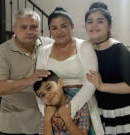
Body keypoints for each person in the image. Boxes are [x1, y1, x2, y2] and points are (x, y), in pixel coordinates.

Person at [36, 7, 104, 135]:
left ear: (72, 26)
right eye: (54, 28)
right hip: (52, 103)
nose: (59, 31)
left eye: (63, 26)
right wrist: (48, 113)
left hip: (81, 103)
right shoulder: (43, 51)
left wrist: (68, 112)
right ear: (49, 30)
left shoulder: (85, 47)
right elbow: (38, 86)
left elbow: (90, 84)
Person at [85, 2, 130, 134]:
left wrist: (102, 86)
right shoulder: (88, 48)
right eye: (90, 21)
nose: (94, 25)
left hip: (123, 113)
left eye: (100, 21)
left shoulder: (119, 50)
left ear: (109, 26)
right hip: (101, 112)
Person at [0, 8, 53, 134]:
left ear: (39, 28)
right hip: (15, 123)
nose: (29, 31)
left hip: (45, 121)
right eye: (23, 27)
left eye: (33, 27)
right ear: (14, 28)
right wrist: (30, 80)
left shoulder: (49, 44)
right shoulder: (2, 52)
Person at [33, 70, 90, 135]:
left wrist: (67, 118)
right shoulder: (46, 112)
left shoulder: (80, 105)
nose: (47, 96)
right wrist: (47, 119)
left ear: (60, 83)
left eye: (49, 88)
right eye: (42, 95)